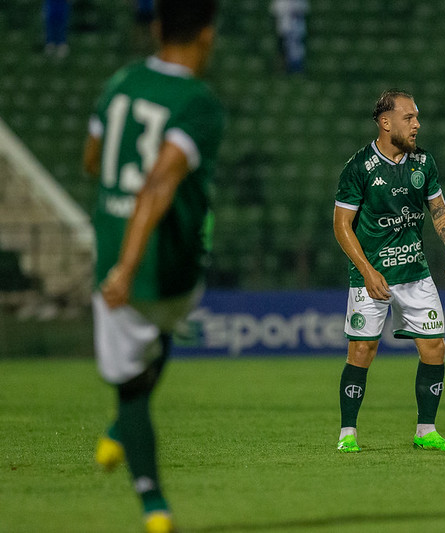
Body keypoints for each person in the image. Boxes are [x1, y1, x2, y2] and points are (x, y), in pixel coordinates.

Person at [81, 0, 224, 531]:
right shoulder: (200, 103)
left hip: (124, 258)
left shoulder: (120, 82)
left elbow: (93, 160)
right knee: (157, 332)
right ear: (207, 37)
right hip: (180, 264)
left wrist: (121, 265)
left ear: (159, 27)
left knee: (130, 384)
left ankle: (153, 508)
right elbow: (161, 183)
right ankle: (123, 438)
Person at [333, 89, 445, 453]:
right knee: (362, 352)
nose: (417, 124)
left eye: (417, 117)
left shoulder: (423, 163)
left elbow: (438, 208)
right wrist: (367, 270)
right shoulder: (358, 167)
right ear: (386, 122)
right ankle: (347, 434)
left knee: (434, 347)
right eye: (410, 118)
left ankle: (426, 430)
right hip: (371, 274)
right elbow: (342, 225)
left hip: (415, 272)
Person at [270, 0, 309, 74]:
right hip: (283, 30)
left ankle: (298, 69)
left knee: (298, 51)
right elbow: (274, 13)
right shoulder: (279, 2)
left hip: (298, 30)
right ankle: (283, 70)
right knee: (283, 51)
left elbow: (304, 11)